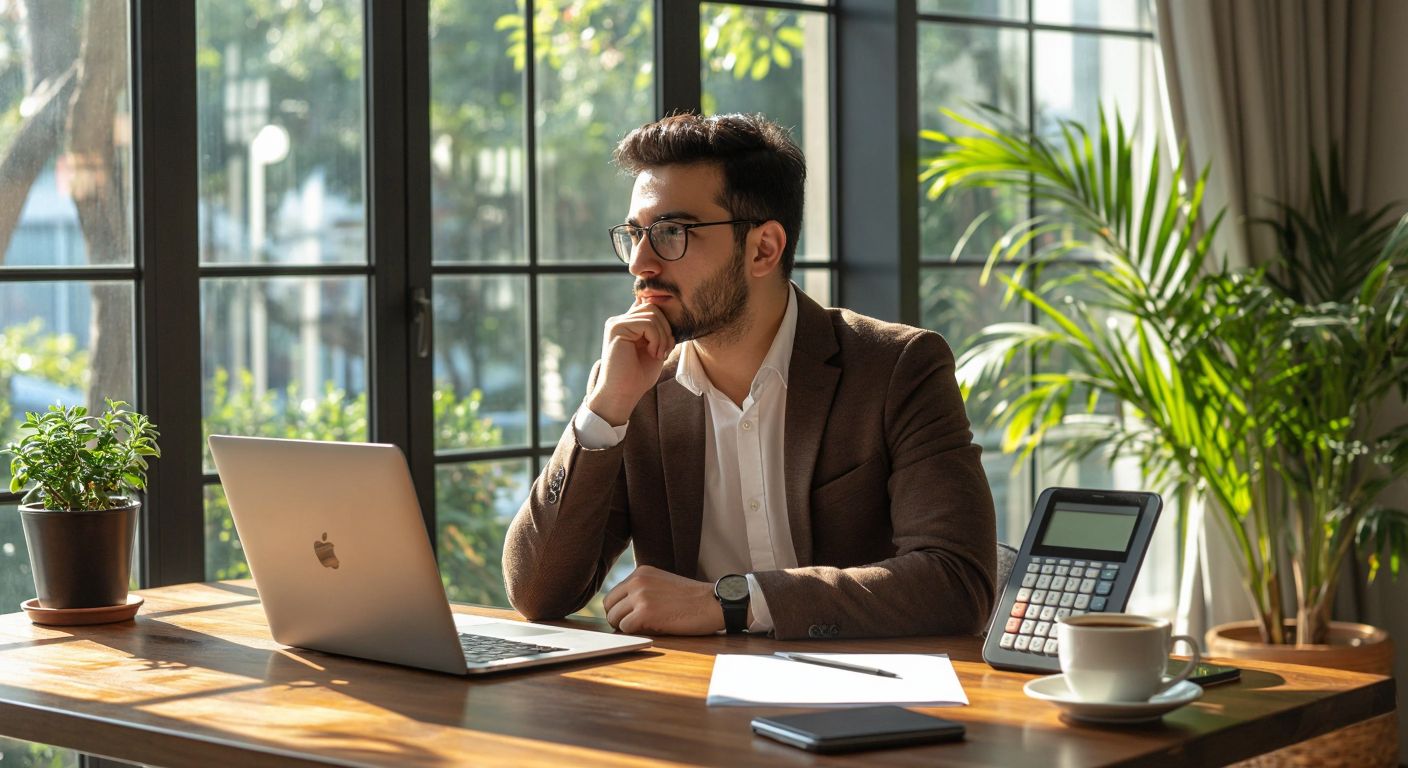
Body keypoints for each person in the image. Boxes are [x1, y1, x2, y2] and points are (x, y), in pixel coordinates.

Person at [502, 112, 996, 640]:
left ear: (763, 248)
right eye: (634, 234)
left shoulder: (897, 367)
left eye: (671, 232)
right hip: (689, 703)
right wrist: (603, 413)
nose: (639, 263)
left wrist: (733, 603)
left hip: (872, 702)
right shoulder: (632, 386)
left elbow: (956, 580)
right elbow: (538, 594)